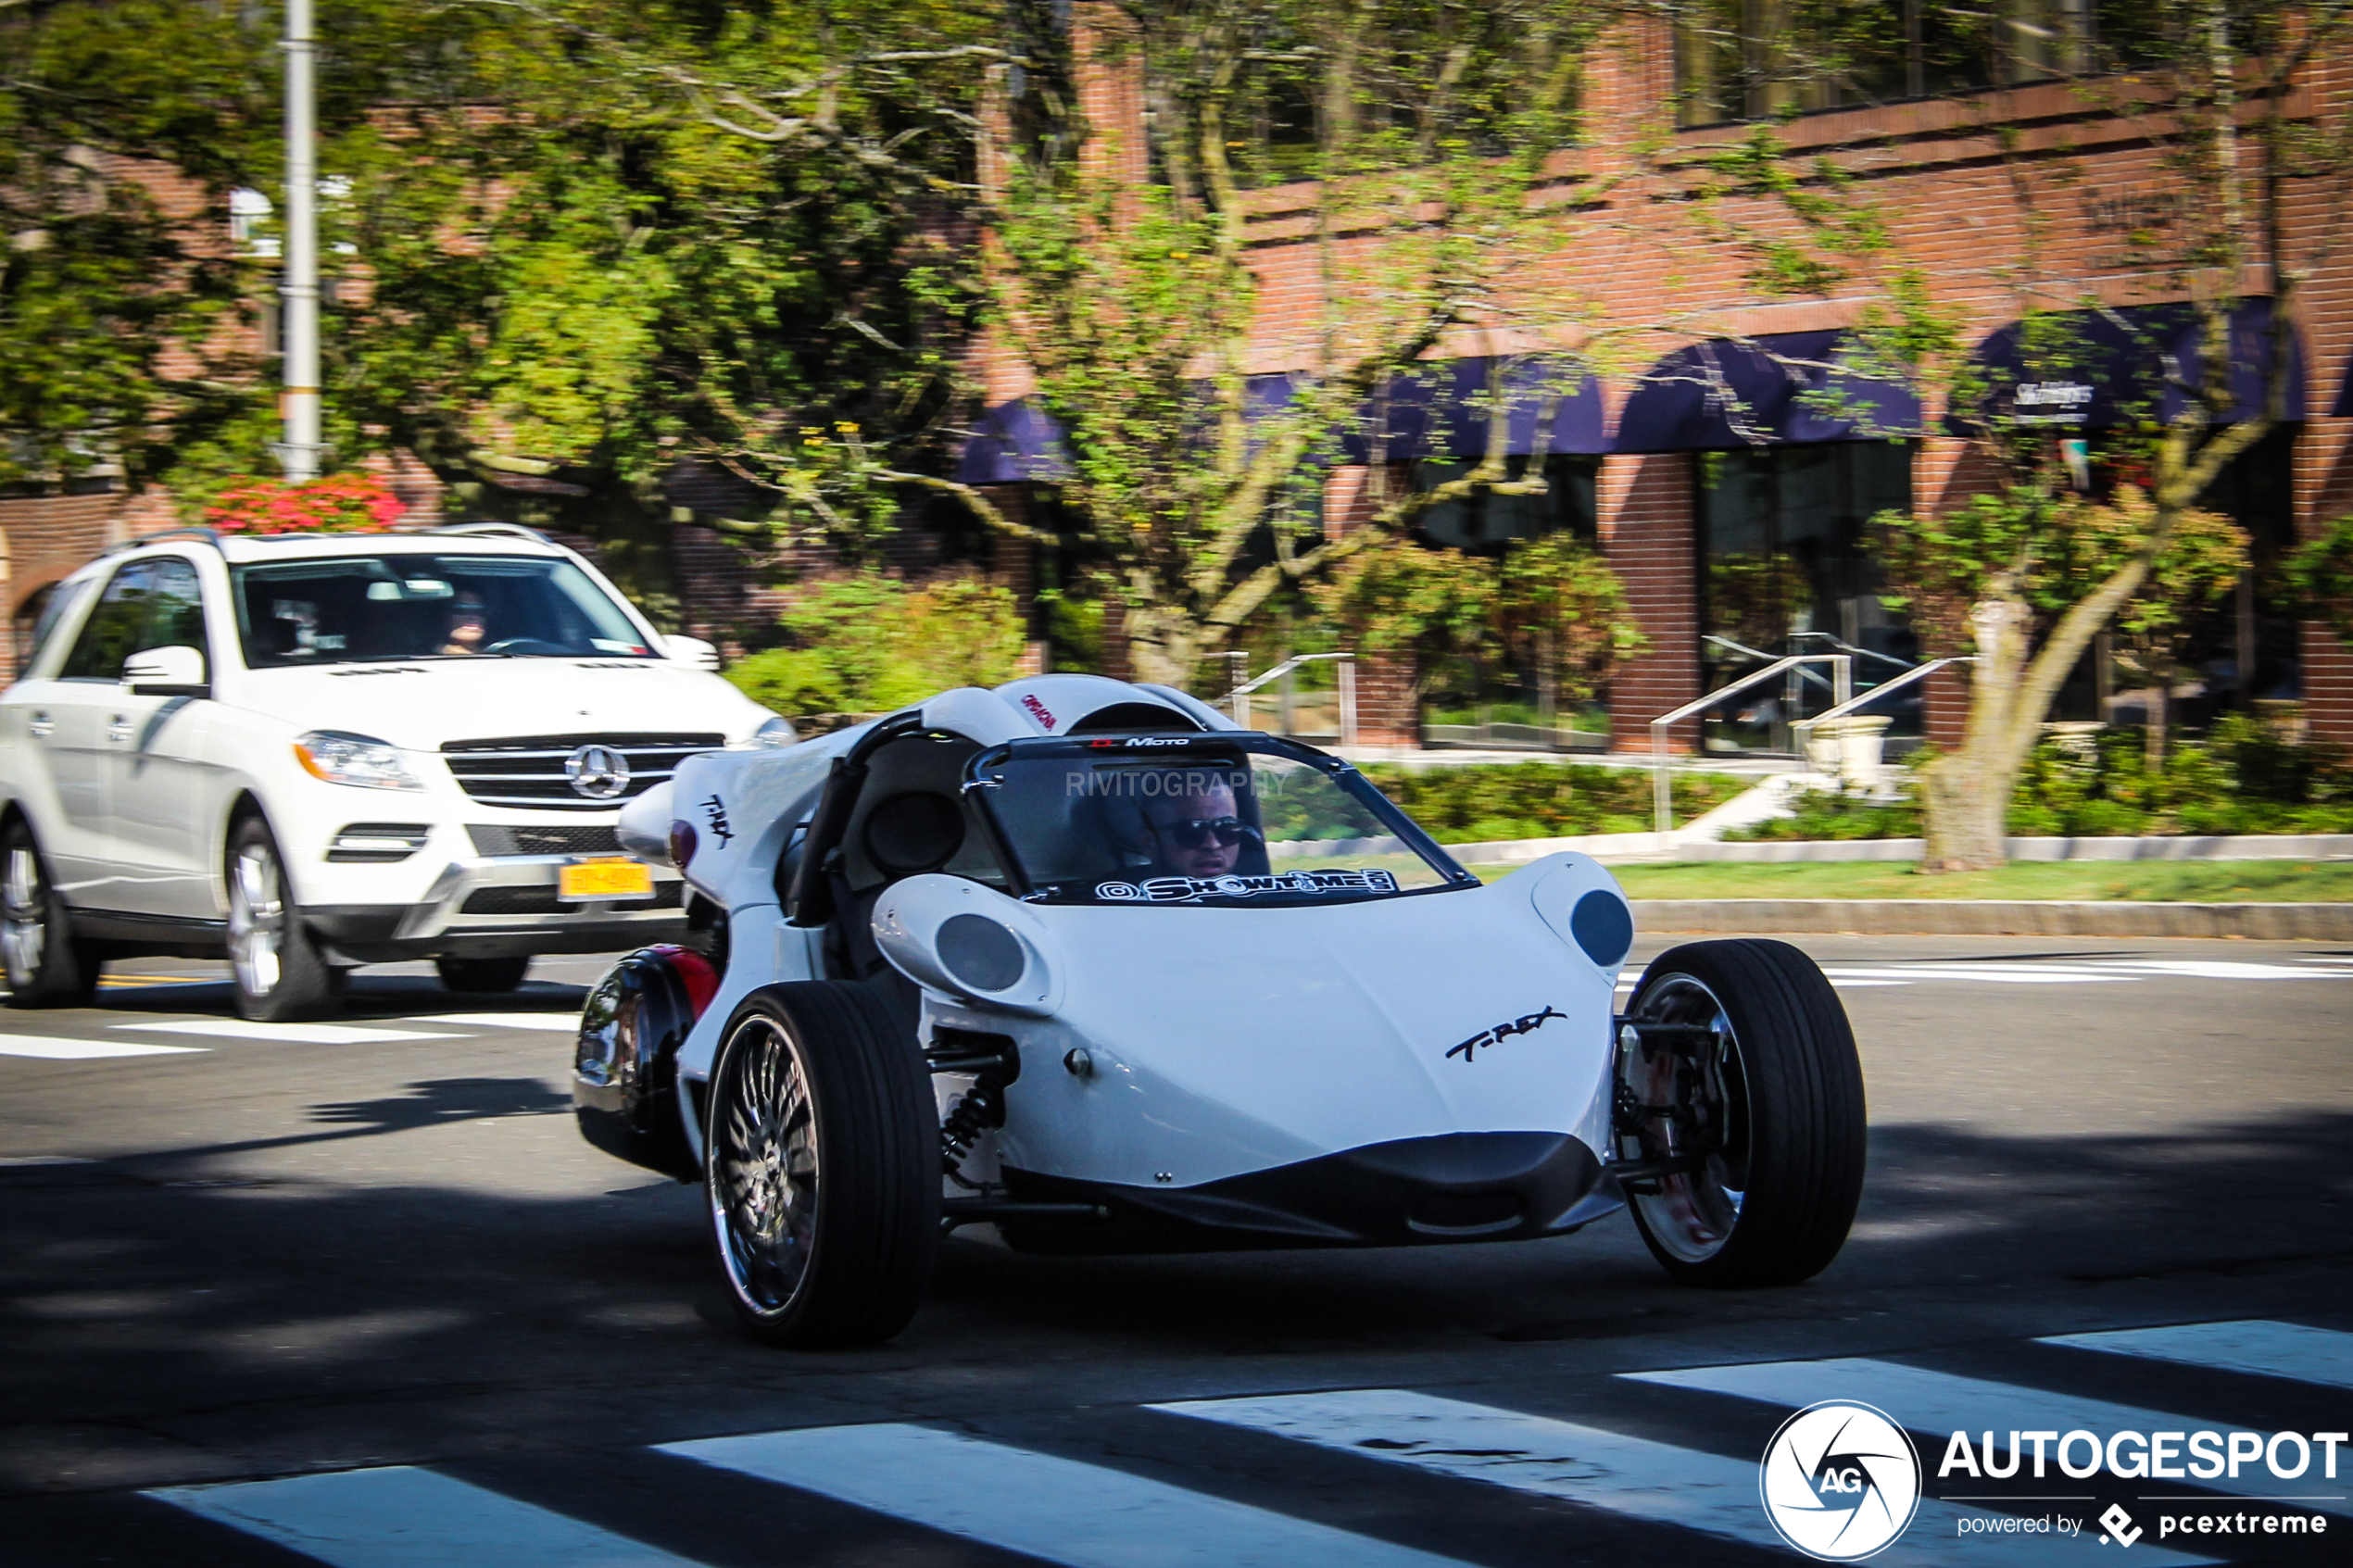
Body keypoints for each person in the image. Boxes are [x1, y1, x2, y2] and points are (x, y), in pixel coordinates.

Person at [1137, 772, 1253, 879]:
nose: (1213, 845)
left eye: (1227, 830)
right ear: (1149, 843)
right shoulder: (1129, 900)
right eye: (1191, 833)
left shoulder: (1261, 896)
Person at [440, 592, 488, 657]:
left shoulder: (501, 654)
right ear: (446, 617)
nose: (473, 617)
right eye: (462, 610)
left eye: (479, 610)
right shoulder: (427, 660)